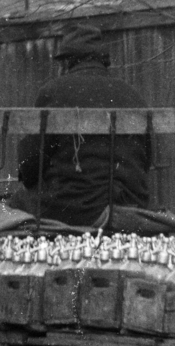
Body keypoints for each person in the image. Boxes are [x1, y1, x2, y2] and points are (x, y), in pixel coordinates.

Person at [11, 23, 152, 227]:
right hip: (131, 205)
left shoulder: (54, 92)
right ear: (102, 60)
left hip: (73, 210)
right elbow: (146, 160)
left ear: (68, 62)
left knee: (11, 205)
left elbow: (30, 167)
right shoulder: (133, 95)